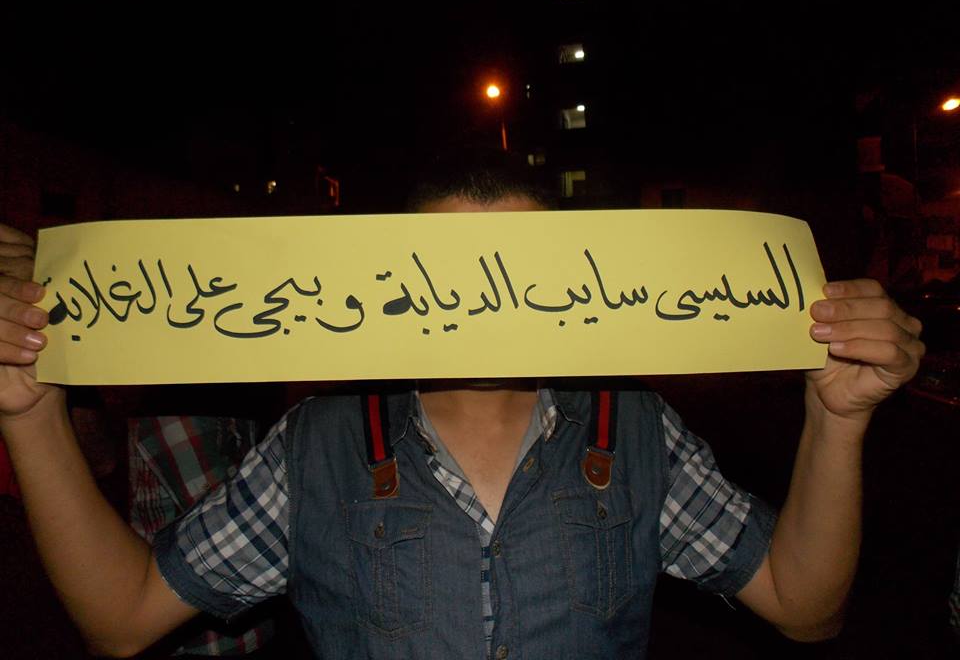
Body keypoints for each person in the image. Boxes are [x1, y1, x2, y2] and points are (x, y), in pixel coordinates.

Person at [0, 155, 925, 658]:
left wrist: (839, 422)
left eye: (518, 272)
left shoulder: (637, 430)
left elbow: (805, 608)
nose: (487, 301)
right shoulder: (317, 445)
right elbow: (122, 617)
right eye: (452, 271)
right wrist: (31, 414)